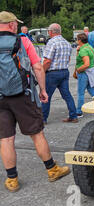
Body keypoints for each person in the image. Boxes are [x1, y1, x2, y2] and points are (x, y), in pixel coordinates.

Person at [0, 12, 70, 192]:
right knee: (36, 134)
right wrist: (43, 90)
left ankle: (12, 179)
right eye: (15, 23)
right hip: (22, 95)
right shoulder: (22, 42)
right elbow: (37, 66)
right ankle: (52, 169)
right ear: (11, 25)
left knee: (6, 139)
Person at [42, 23, 78, 123]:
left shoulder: (51, 42)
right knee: (67, 95)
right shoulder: (67, 43)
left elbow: (47, 61)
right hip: (64, 71)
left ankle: (42, 118)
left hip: (52, 73)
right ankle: (73, 115)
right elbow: (69, 58)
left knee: (46, 96)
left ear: (50, 32)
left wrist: (41, 71)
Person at [73, 33, 94, 118]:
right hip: (90, 72)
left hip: (84, 72)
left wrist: (78, 70)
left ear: (80, 40)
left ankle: (79, 111)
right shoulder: (89, 47)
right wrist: (77, 51)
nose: (76, 41)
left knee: (80, 93)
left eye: (77, 39)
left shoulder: (83, 50)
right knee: (91, 90)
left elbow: (86, 64)